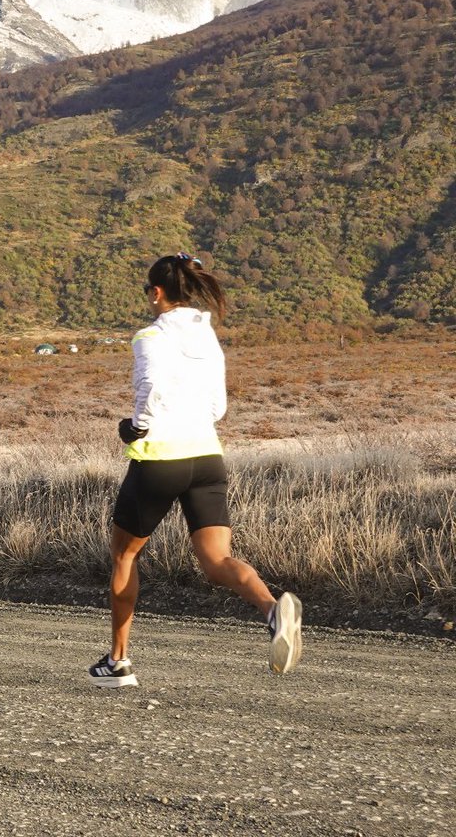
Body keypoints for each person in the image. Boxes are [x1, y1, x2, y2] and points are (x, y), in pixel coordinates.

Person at [88, 253, 302, 688]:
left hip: (159, 459)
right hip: (207, 455)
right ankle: (272, 610)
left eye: (148, 294)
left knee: (125, 555)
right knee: (218, 560)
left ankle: (118, 662)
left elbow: (148, 383)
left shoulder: (150, 335)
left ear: (157, 292)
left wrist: (136, 427)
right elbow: (218, 407)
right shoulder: (208, 338)